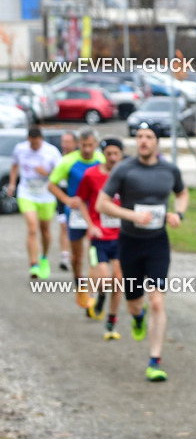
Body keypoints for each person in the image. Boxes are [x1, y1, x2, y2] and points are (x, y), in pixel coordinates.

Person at [97, 123, 189, 382]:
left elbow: (182, 193)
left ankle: (155, 361)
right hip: (130, 242)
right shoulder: (124, 169)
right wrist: (131, 215)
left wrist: (178, 214)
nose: (143, 141)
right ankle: (137, 317)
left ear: (157, 141)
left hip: (157, 242)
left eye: (148, 137)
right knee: (134, 302)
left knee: (157, 300)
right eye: (139, 137)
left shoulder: (169, 170)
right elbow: (101, 203)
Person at [49, 127, 104, 310]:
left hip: (95, 213)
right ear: (77, 144)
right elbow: (51, 184)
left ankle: (92, 294)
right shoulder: (68, 161)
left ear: (96, 144)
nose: (87, 149)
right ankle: (78, 282)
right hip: (75, 214)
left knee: (93, 253)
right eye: (83, 145)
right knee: (77, 256)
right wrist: (66, 199)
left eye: (90, 145)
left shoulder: (101, 159)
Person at [76, 138, 125, 341]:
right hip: (100, 236)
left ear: (121, 154)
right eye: (109, 153)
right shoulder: (91, 174)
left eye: (116, 154)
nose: (112, 157)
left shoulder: (127, 174)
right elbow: (80, 200)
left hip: (122, 237)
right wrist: (91, 224)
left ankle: (111, 322)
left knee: (119, 281)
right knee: (104, 280)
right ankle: (100, 298)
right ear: (103, 153)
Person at [8, 127, 62, 279]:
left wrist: (46, 173)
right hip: (27, 193)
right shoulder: (20, 149)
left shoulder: (51, 151)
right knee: (32, 228)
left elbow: (60, 174)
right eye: (32, 144)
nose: (35, 147)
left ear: (42, 140)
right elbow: (14, 166)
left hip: (46, 195)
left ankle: (44, 257)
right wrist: (12, 184)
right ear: (28, 140)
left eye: (37, 144)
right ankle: (34, 264)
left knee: (44, 230)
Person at [57, 131, 78, 271]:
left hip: (77, 196)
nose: (64, 144)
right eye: (63, 141)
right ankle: (65, 256)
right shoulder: (57, 157)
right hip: (62, 195)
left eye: (68, 141)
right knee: (64, 226)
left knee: (78, 227)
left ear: (75, 143)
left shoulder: (79, 158)